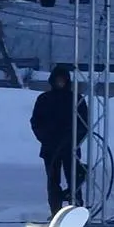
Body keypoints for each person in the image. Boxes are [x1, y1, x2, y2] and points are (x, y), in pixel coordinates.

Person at [30, 66, 89, 217]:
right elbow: (36, 122)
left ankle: (76, 211)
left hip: (71, 148)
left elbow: (84, 124)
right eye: (57, 80)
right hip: (50, 148)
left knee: (75, 180)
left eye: (63, 80)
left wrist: (74, 140)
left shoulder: (76, 98)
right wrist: (45, 138)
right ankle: (55, 211)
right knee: (52, 181)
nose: (60, 82)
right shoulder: (44, 99)